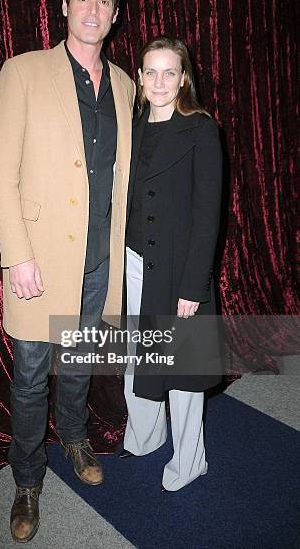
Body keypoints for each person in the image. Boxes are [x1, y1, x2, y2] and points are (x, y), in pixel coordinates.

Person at [0, 0, 134, 543]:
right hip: (40, 263)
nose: (92, 10)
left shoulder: (125, 84)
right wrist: (16, 253)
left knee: (77, 365)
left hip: (100, 261)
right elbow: (0, 171)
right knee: (31, 375)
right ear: (64, 5)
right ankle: (27, 479)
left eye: (104, 1)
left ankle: (73, 437)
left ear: (115, 14)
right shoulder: (21, 71)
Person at [121, 37, 223, 492]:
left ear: (184, 78)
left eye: (169, 72)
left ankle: (190, 460)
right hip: (133, 263)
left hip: (179, 270)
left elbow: (208, 215)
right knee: (134, 358)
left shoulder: (201, 129)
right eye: (150, 71)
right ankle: (143, 439)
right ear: (139, 78)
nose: (159, 81)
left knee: (182, 371)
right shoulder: (134, 126)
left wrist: (193, 287)